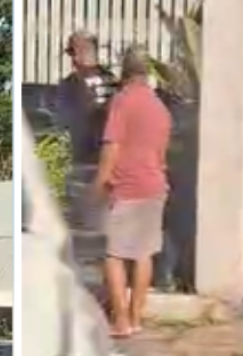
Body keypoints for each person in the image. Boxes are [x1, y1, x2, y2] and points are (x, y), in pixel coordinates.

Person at [94, 45, 172, 338]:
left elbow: (112, 145)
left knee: (114, 255)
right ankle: (136, 319)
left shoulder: (122, 101)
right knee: (143, 254)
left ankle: (121, 321)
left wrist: (101, 181)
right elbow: (161, 154)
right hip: (155, 187)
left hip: (127, 188)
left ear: (124, 73)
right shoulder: (159, 107)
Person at [54, 30, 119, 236]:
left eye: (73, 51)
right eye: (70, 53)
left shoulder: (111, 81)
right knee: (81, 227)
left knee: (102, 228)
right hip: (81, 160)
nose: (72, 58)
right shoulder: (68, 85)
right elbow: (62, 120)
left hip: (106, 162)